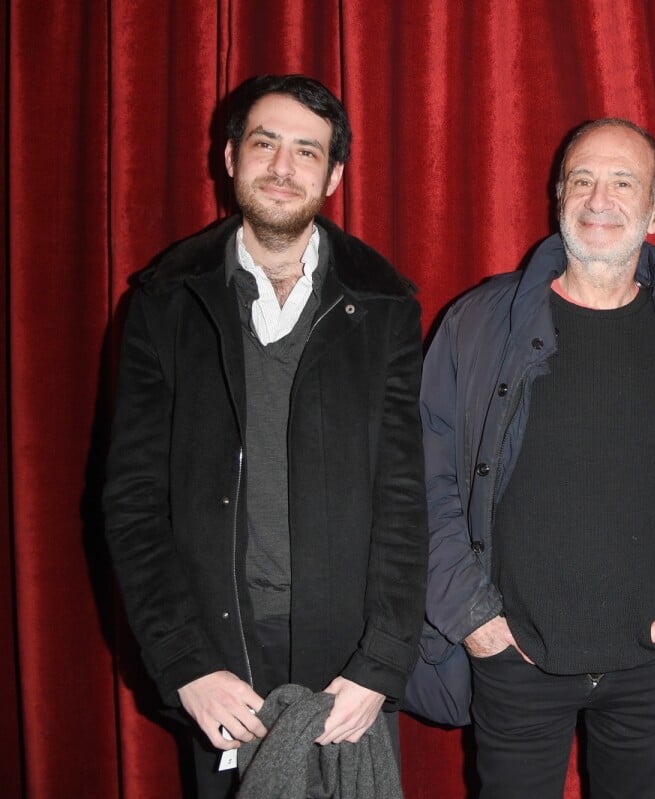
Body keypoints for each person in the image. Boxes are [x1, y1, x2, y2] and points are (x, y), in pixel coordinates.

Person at [103, 74, 428, 798]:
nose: (283, 167)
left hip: (348, 669)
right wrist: (185, 662)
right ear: (230, 156)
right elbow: (131, 504)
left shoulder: (386, 308)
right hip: (221, 669)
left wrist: (380, 663)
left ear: (335, 174)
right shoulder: (164, 303)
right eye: (265, 143)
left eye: (307, 152)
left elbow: (406, 499)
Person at [419, 118, 655, 798]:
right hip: (515, 658)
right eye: (583, 180)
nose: (600, 199)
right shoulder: (479, 324)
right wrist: (472, 618)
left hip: (651, 660)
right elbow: (425, 476)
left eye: (623, 182)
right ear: (557, 196)